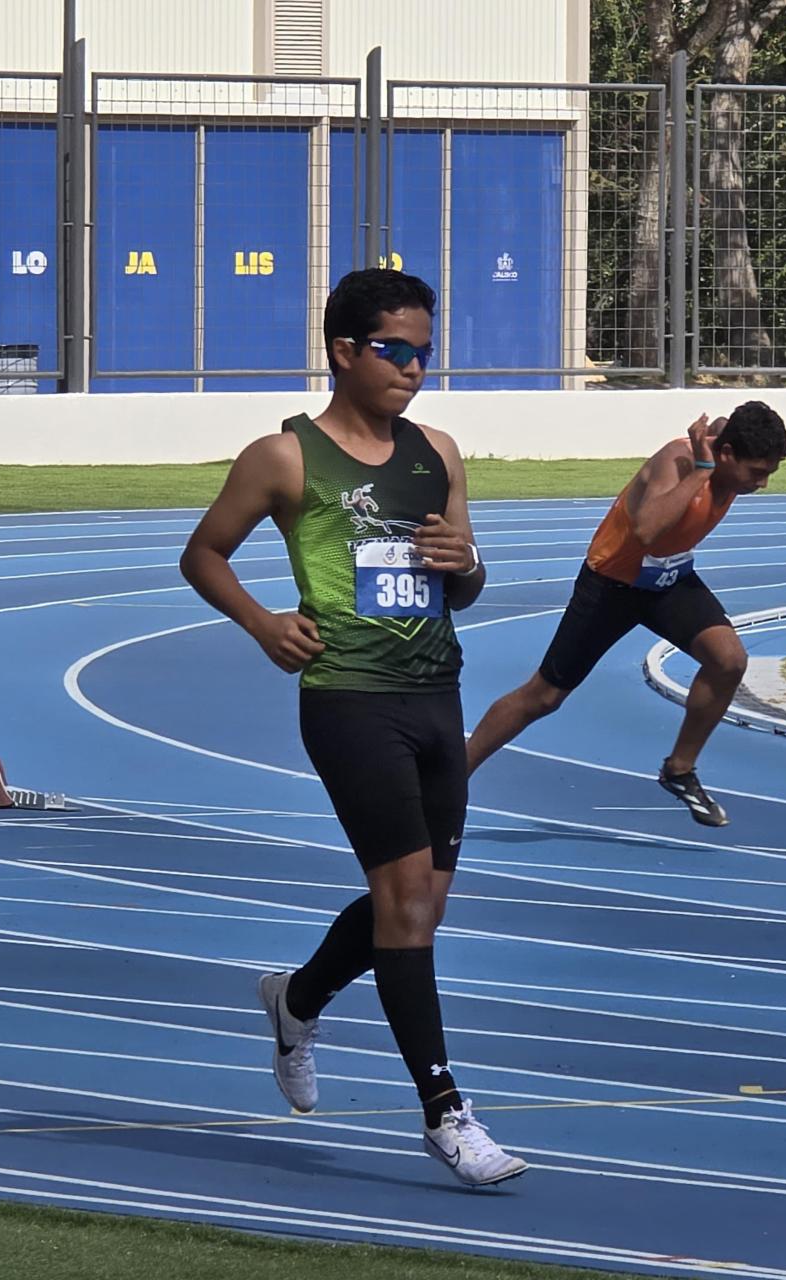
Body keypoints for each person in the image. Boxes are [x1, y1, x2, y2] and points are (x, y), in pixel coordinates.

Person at [179, 268, 527, 1188]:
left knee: (418, 908)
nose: (413, 367)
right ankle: (445, 1113)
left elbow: (464, 582)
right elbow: (203, 553)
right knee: (406, 905)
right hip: (348, 699)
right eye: (394, 349)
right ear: (344, 351)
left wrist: (464, 563)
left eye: (424, 352)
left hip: (436, 694)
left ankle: (296, 1000)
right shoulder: (284, 457)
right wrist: (262, 623)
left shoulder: (437, 452)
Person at [466, 402, 786, 827]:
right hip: (612, 585)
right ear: (726, 454)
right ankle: (452, 776)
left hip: (668, 579)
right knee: (543, 696)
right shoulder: (678, 461)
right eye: (756, 472)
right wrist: (701, 470)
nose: (762, 484)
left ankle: (679, 770)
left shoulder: (726, 445)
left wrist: (715, 436)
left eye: (769, 473)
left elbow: (723, 425)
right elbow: (647, 531)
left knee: (728, 660)